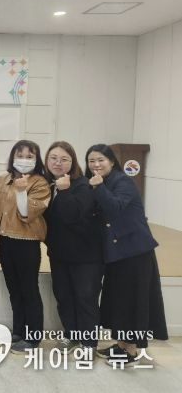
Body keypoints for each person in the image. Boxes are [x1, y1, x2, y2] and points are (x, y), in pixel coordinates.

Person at [85, 144, 168, 364]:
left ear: (112, 162)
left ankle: (130, 351)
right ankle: (121, 344)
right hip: (116, 253)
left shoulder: (123, 181)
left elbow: (115, 207)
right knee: (119, 300)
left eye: (101, 160)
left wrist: (98, 187)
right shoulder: (101, 182)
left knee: (132, 301)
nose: (96, 164)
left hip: (134, 252)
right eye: (91, 161)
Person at [0, 140, 50, 354]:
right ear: (12, 157)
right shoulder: (3, 180)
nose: (24, 160)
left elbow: (27, 213)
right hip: (5, 241)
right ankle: (19, 330)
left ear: (37, 160)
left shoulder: (40, 183)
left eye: (30, 156)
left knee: (29, 289)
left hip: (27, 243)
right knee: (14, 290)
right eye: (19, 155)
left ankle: (33, 336)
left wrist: (21, 191)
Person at [43, 141, 103, 354]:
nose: (57, 163)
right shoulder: (49, 185)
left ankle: (89, 344)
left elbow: (72, 215)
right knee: (64, 296)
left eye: (64, 159)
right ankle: (71, 335)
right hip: (59, 254)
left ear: (73, 162)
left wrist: (65, 191)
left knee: (86, 298)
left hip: (86, 255)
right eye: (53, 158)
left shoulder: (83, 185)